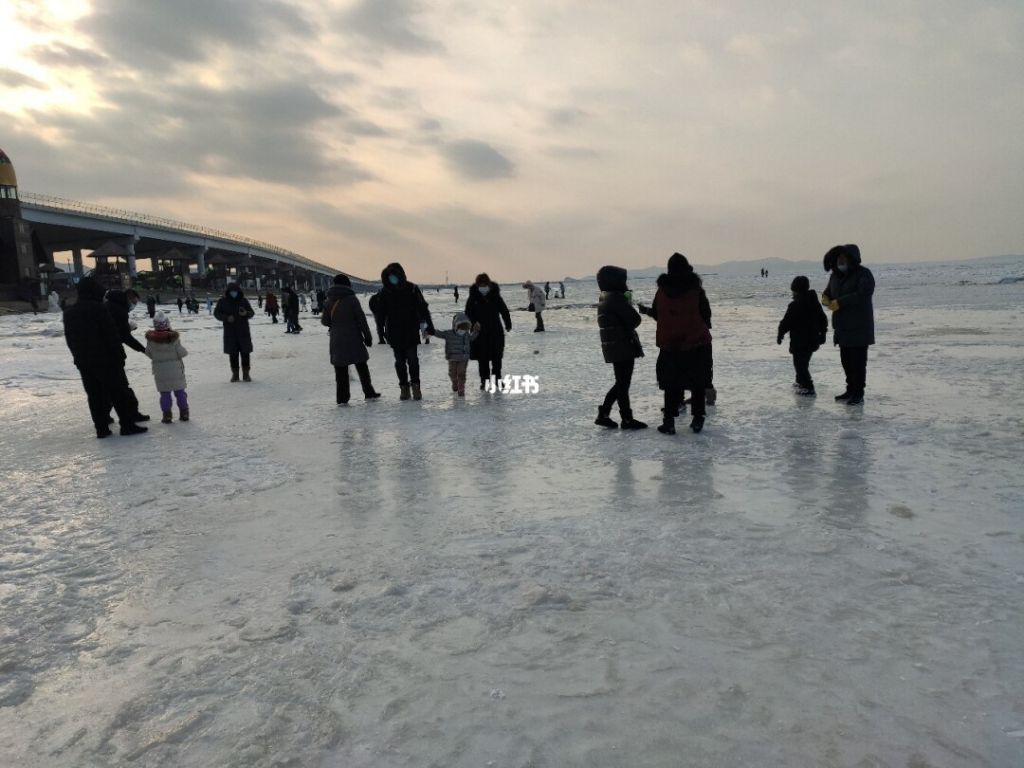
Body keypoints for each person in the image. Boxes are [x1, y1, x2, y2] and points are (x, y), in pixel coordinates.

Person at [63, 276, 148, 438]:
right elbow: (111, 335)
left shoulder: (69, 312)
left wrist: (78, 358)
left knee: (95, 396)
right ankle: (127, 425)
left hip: (85, 362)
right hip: (107, 359)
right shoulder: (99, 309)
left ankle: (101, 429)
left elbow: (70, 339)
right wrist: (120, 355)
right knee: (119, 392)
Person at [638, 253, 712, 434]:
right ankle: (697, 419)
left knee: (671, 383)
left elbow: (657, 314)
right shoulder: (696, 290)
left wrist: (645, 310)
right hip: (697, 342)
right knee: (698, 382)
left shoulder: (662, 291)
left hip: (670, 345)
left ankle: (669, 421)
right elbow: (706, 314)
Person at [822, 244, 875, 405]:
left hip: (859, 327)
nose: (841, 261)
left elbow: (863, 294)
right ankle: (850, 389)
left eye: (844, 258)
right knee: (846, 361)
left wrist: (840, 302)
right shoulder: (834, 276)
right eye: (838, 258)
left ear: (852, 259)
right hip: (842, 328)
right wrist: (825, 298)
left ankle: (858, 393)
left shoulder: (864, 274)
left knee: (858, 363)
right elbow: (828, 292)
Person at [595, 266, 646, 430]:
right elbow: (634, 320)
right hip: (622, 344)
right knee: (623, 383)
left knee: (621, 382)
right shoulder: (616, 298)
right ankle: (625, 418)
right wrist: (628, 302)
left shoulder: (605, 296)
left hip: (615, 345)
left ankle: (605, 414)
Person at [321, 274, 381, 405]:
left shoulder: (328, 301)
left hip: (336, 339)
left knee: (340, 370)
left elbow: (325, 321)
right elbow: (361, 320)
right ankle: (369, 392)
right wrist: (368, 337)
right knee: (361, 366)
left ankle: (342, 398)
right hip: (353, 337)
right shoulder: (352, 299)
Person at [378, 263, 434, 401]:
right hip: (394, 332)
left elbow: (423, 308)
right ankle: (404, 387)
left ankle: (416, 386)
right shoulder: (385, 292)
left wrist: (429, 325)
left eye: (395, 276)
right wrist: (381, 330)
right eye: (390, 277)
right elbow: (380, 313)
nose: (393, 279)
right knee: (400, 362)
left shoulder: (412, 289)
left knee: (413, 360)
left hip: (410, 330)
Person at [104, 287, 150, 423]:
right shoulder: (119, 310)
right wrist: (144, 350)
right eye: (134, 301)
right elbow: (125, 336)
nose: (134, 305)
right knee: (122, 387)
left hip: (97, 354)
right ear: (129, 296)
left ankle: (103, 417)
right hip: (110, 354)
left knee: (105, 388)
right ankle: (132, 415)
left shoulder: (108, 305)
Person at [778, 276, 828, 396]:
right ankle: (800, 381)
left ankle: (808, 386)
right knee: (803, 363)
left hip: (800, 342)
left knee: (800, 364)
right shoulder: (814, 303)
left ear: (796, 290)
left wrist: (780, 334)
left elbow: (786, 322)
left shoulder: (795, 305)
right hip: (812, 340)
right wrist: (823, 333)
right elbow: (823, 319)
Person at [465, 273, 512, 390]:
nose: (483, 286)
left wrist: (508, 324)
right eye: (480, 284)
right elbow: (468, 313)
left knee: (497, 358)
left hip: (495, 331)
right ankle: (484, 381)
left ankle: (497, 380)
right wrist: (473, 322)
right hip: (479, 333)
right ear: (477, 285)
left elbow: (504, 310)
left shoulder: (495, 296)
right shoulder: (473, 297)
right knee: (483, 359)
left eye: (485, 284)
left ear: (488, 284)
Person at [145, 311, 190, 423]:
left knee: (165, 395)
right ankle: (184, 413)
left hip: (160, 372)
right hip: (175, 371)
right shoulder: (174, 339)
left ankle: (167, 415)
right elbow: (182, 353)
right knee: (180, 393)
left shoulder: (151, 340)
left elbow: (148, 353)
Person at [430, 313, 480, 397]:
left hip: (463, 358)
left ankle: (461, 387)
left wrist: (476, 331)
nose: (463, 330)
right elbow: (439, 333)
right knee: (452, 373)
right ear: (456, 326)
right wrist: (431, 330)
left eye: (465, 328)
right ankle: (454, 382)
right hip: (452, 357)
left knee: (461, 372)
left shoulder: (466, 335)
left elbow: (471, 338)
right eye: (461, 327)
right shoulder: (449, 334)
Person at [213, 282, 255, 382]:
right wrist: (226, 318)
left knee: (245, 353)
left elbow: (251, 313)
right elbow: (216, 313)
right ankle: (235, 375)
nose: (233, 293)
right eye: (232, 292)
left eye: (235, 291)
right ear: (228, 292)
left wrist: (246, 313)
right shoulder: (222, 301)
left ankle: (246, 374)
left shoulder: (243, 301)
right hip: (230, 333)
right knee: (233, 354)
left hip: (243, 332)